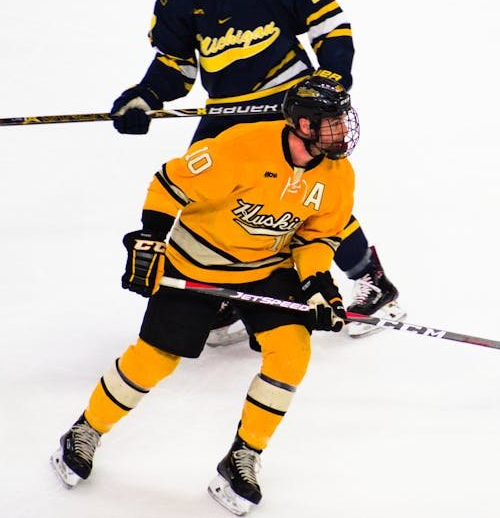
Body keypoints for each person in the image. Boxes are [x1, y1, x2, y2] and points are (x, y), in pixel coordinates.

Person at [52, 75, 358, 515]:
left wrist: (318, 286)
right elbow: (167, 184)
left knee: (292, 352)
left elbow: (317, 237)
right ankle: (86, 430)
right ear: (304, 125)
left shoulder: (338, 175)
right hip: (197, 262)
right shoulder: (239, 147)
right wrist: (151, 239)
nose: (343, 131)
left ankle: (242, 457)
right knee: (155, 357)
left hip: (264, 269)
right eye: (332, 122)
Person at [107, 0, 401, 342]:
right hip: (230, 110)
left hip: (293, 102)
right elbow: (176, 66)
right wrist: (146, 95)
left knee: (312, 192)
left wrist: (332, 80)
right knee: (202, 193)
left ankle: (370, 280)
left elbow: (333, 31)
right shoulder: (180, 0)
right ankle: (231, 288)